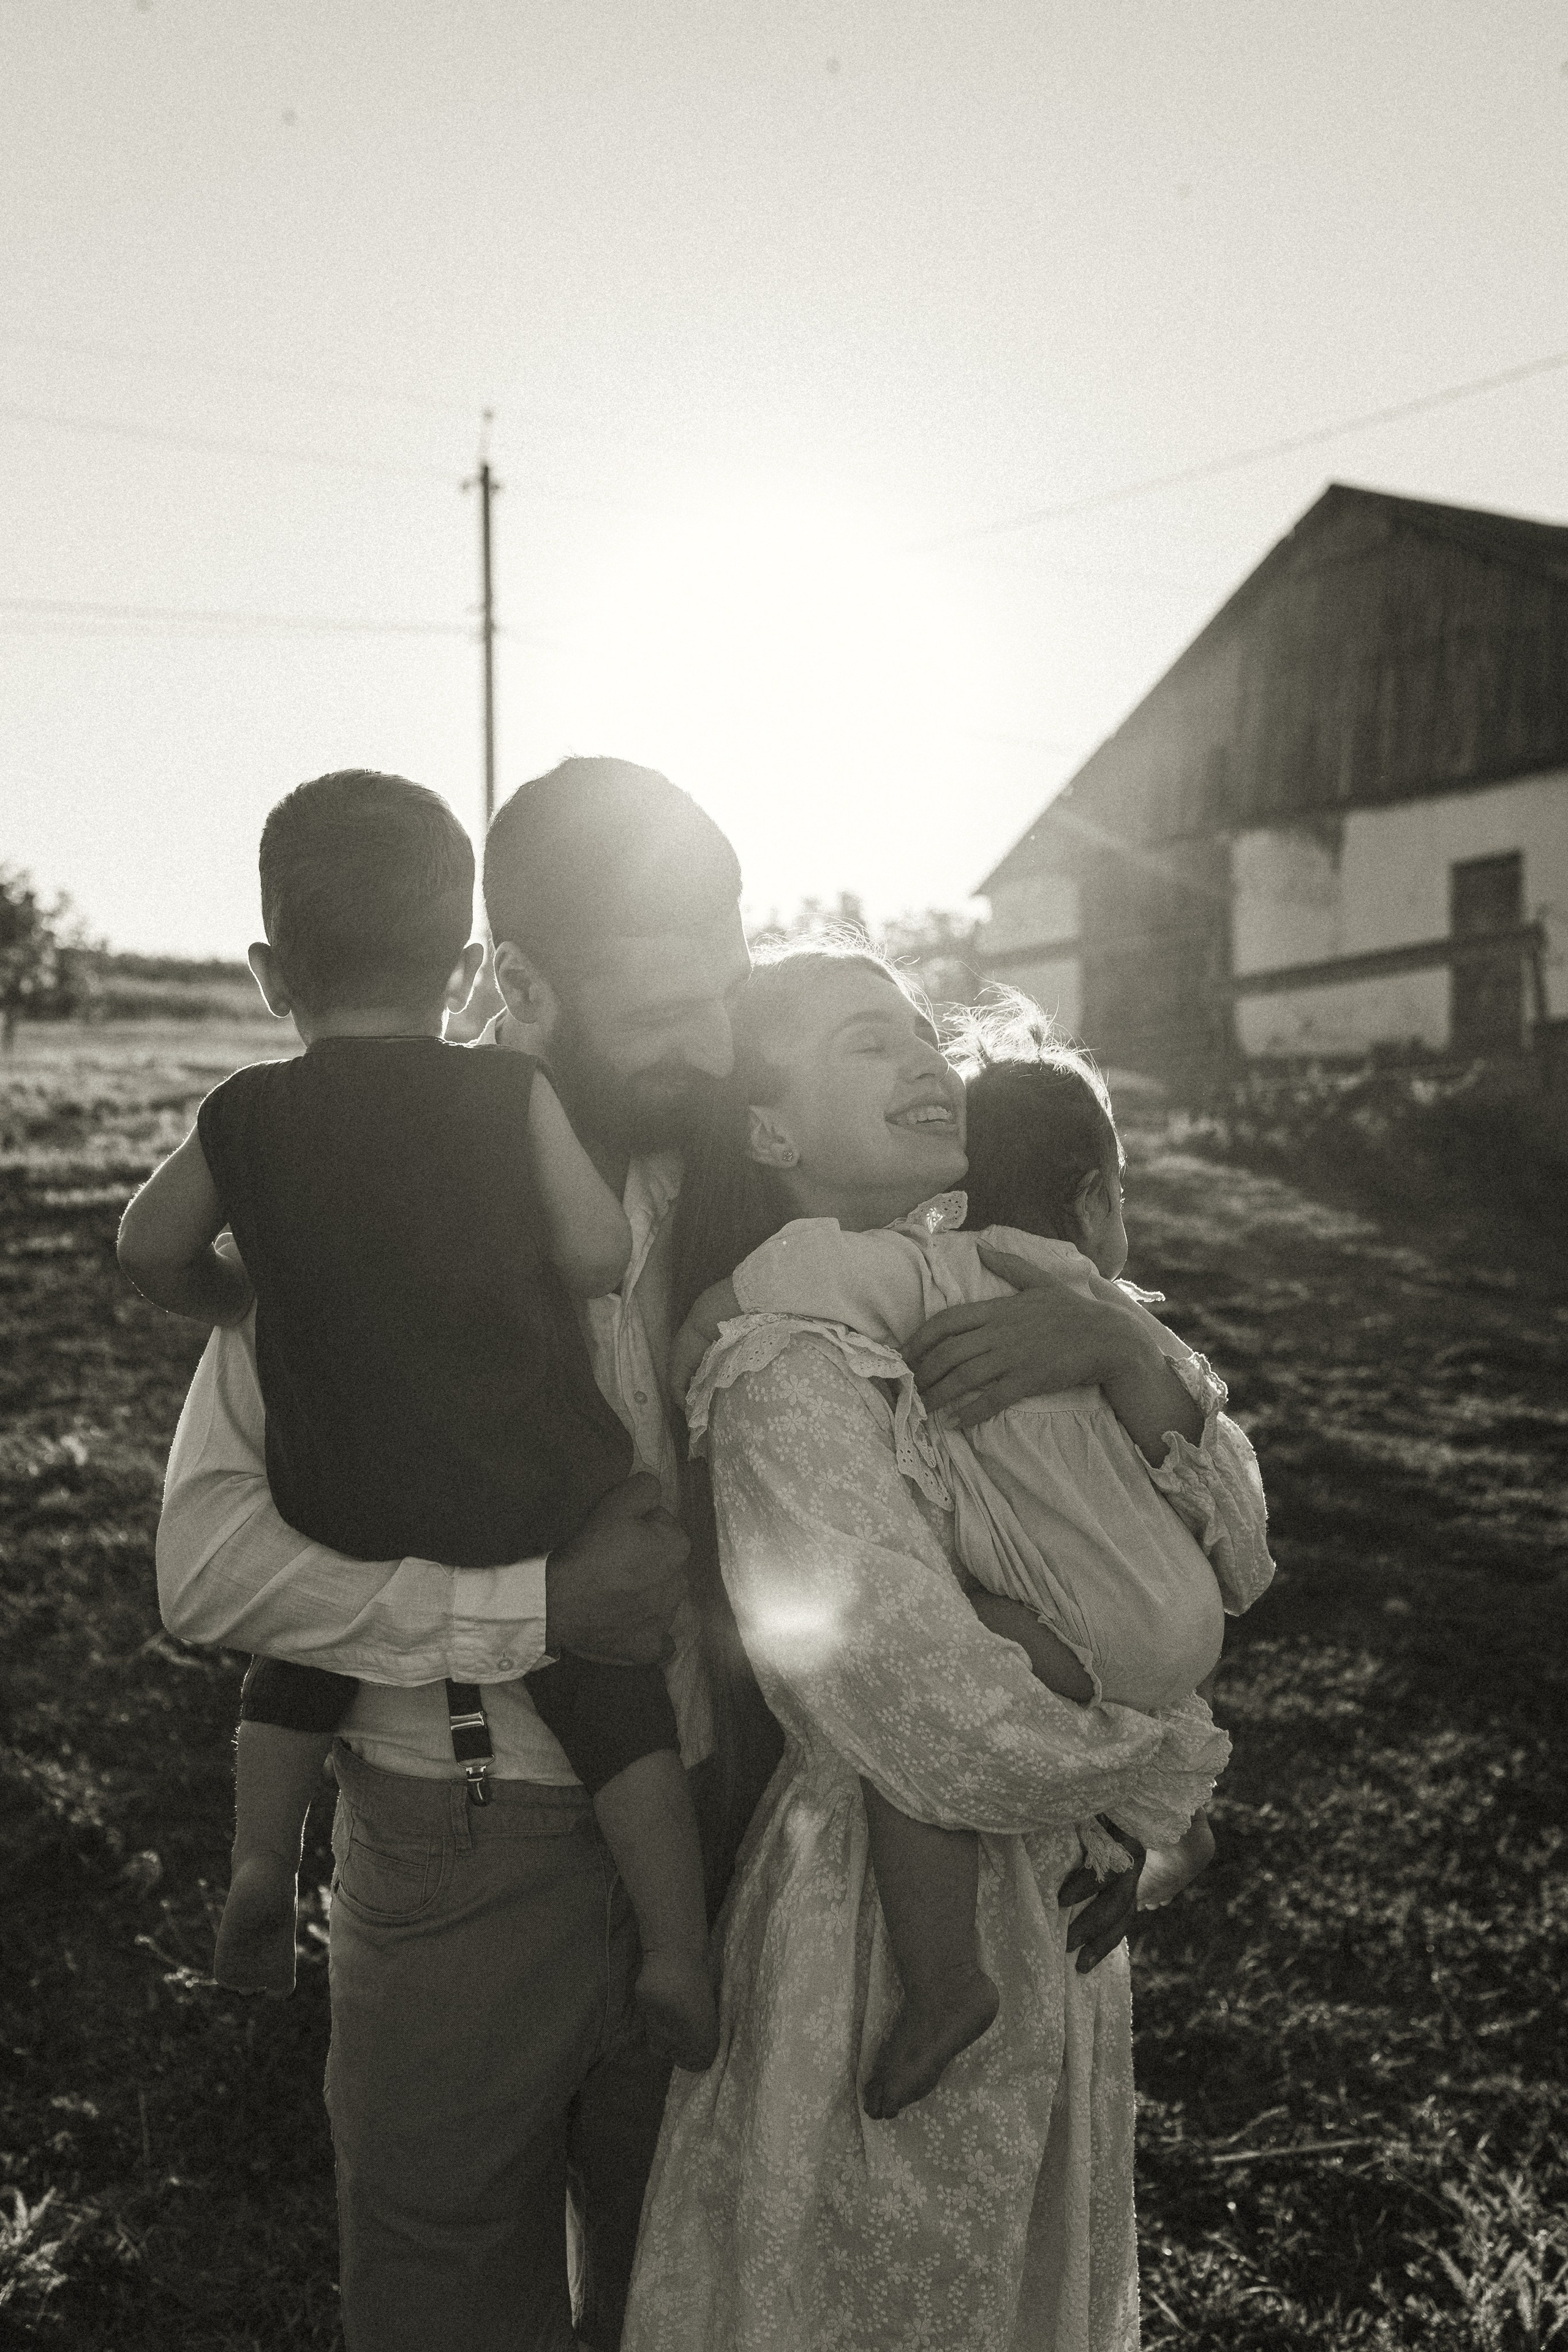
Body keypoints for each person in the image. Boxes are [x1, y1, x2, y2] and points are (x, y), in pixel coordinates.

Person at [153, 766, 1193, 2351]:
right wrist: (526, 1608)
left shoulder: (769, 1202)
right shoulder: (370, 1173)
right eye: (666, 1010)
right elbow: (206, 1564)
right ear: (520, 985)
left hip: (734, 1850)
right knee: (448, 2300)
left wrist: (1081, 1797)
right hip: (463, 1843)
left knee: (688, 2293)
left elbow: (1015, 1519)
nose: (710, 1043)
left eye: (723, 990)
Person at [622, 943, 1275, 2352]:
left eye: (925, 1034)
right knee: (895, 2284)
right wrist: (1145, 1779)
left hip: (1053, 1894)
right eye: (869, 1042)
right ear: (770, 1128)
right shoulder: (784, 1357)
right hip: (879, 1908)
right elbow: (898, 1691)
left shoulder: (1011, 1289)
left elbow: (1228, 1542)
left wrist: (1114, 1351)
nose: (924, 1059)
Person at [119, 769, 717, 2069]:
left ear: (272, 974)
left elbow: (145, 1243)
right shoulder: (500, 1100)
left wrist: (241, 1301)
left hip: (341, 1495)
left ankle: (259, 1869)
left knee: (308, 1662)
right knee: (612, 1698)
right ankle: (675, 1948)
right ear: (463, 972)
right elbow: (598, 1251)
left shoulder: (245, 1113)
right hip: (521, 1494)